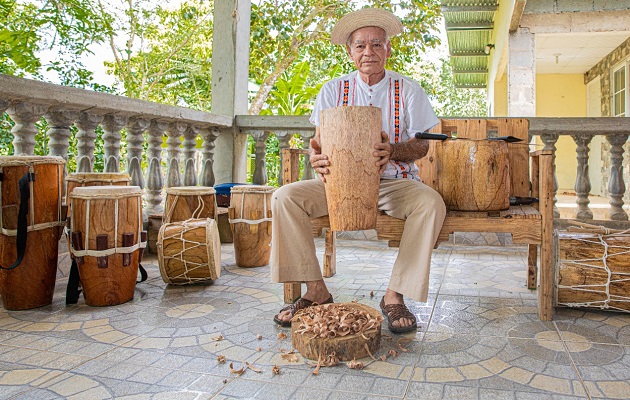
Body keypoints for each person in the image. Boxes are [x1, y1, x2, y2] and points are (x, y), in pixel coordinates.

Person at [270, 8, 446, 334]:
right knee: (284, 198)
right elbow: (317, 143)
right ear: (350, 52)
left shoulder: (408, 90)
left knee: (430, 203)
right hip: (338, 186)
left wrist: (392, 150)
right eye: (361, 45)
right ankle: (316, 290)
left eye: (377, 44)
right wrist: (315, 158)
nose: (369, 52)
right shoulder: (331, 91)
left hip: (392, 184)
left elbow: (423, 146)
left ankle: (394, 295)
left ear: (388, 50)